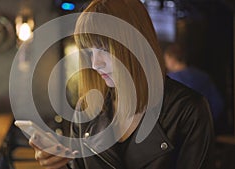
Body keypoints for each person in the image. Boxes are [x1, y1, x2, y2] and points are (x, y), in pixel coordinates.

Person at [29, 0, 214, 169]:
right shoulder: (86, 109)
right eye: (90, 52)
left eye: (103, 48)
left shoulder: (188, 110)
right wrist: (58, 164)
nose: (95, 64)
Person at [164, 43, 224, 123]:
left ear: (172, 59)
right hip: (203, 125)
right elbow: (218, 103)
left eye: (166, 60)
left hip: (179, 129)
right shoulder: (204, 76)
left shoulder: (169, 80)